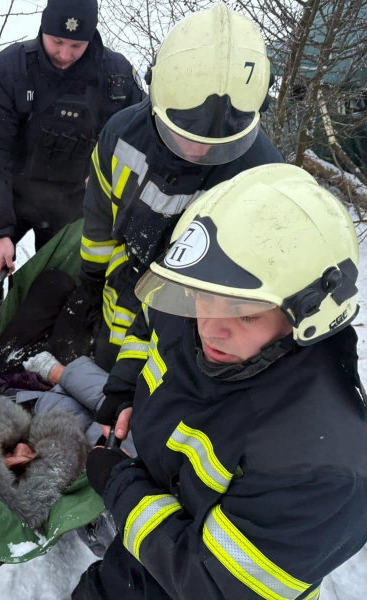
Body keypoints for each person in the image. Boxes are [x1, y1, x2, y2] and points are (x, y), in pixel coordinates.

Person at [73, 163, 367, 599]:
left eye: (245, 314)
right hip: (140, 555)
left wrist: (122, 489)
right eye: (202, 299)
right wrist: (123, 386)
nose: (210, 327)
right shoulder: (203, 306)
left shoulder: (322, 470)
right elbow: (152, 326)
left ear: (307, 316)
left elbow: (207, 582)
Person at [79, 3, 284, 371]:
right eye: (185, 133)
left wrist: (134, 368)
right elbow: (97, 218)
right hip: (122, 278)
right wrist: (90, 279)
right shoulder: (122, 134)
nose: (201, 149)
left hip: (198, 319)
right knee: (103, 357)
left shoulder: (262, 177)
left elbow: (237, 293)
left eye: (220, 141)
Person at [0, 0, 144, 327]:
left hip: (75, 202)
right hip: (14, 195)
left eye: (77, 45)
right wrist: (1, 230)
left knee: (59, 281)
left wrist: (107, 176)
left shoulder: (117, 77)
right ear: (43, 29)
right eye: (57, 42)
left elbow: (141, 137)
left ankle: (38, 343)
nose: (65, 54)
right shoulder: (10, 70)